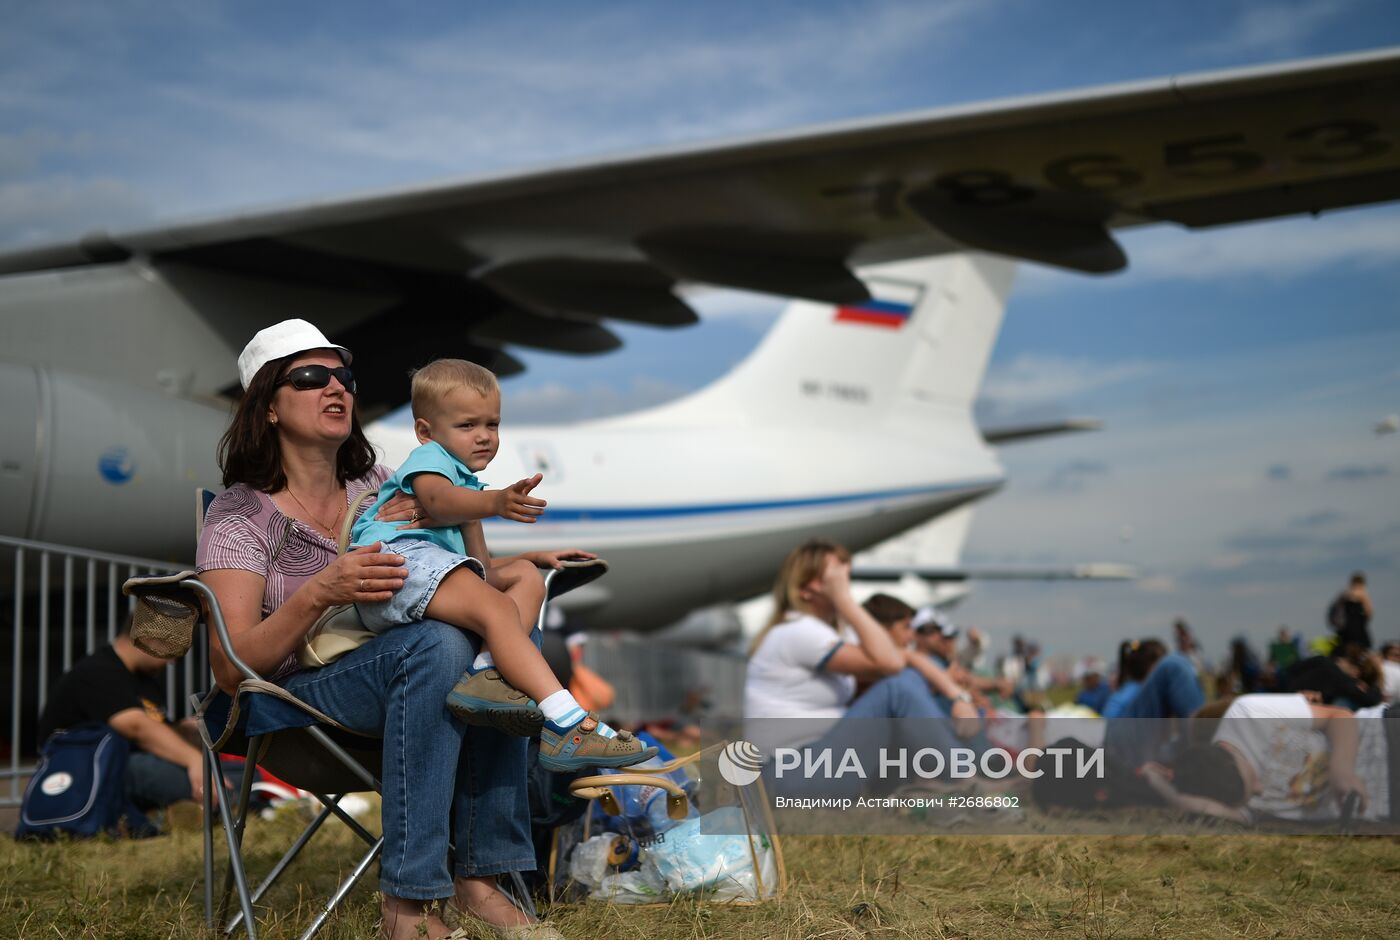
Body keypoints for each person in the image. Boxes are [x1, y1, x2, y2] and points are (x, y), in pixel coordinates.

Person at [196, 319, 565, 940]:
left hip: (408, 676)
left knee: (485, 649)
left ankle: (481, 882)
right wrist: (321, 590)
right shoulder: (241, 513)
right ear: (267, 409)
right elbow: (232, 668)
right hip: (294, 700)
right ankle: (410, 905)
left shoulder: (383, 487)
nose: (336, 387)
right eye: (311, 377)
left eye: (343, 374)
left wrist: (518, 568)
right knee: (441, 644)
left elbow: (451, 574)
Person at [350, 358, 651, 771]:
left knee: (526, 580)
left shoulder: (469, 492)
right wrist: (495, 502)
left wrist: (531, 559)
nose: (484, 437)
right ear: (426, 432)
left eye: (492, 425)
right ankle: (567, 721)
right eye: (467, 425)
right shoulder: (431, 463)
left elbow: (482, 570)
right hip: (393, 567)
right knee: (495, 610)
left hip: (431, 570)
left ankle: (485, 673)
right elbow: (438, 503)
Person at [744, 542, 984, 797]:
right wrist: (845, 600)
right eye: (836, 574)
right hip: (788, 774)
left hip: (807, 765)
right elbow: (892, 664)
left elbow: (906, 657)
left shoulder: (825, 633)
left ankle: (951, 781)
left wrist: (956, 695)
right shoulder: (798, 631)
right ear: (807, 588)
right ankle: (966, 782)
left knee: (910, 685)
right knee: (898, 688)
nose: (844, 579)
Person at [37, 617, 227, 816]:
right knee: (206, 780)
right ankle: (237, 797)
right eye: (173, 651)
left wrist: (186, 730)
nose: (172, 661)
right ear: (149, 639)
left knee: (228, 774)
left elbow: (159, 730)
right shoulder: (97, 672)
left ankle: (230, 797)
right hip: (91, 772)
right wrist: (193, 759)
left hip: (136, 766)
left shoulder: (144, 680)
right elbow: (137, 728)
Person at [1144, 693, 1393, 824]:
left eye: (1252, 781)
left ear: (1230, 752)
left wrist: (1343, 770)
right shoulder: (1230, 795)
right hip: (1386, 804)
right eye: (1250, 795)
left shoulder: (1249, 712)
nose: (1260, 790)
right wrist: (1164, 789)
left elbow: (1338, 715)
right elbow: (1208, 810)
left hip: (1384, 736)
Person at [1328, 573, 1374, 650]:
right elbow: (1369, 612)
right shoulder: (1363, 594)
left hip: (1345, 628)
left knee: (1344, 649)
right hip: (1358, 628)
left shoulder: (1343, 594)